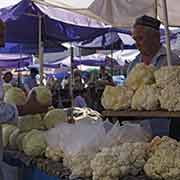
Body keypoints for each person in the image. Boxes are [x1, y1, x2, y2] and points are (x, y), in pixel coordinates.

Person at [127, 15, 180, 138]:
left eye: (140, 38)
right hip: (139, 128)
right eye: (135, 39)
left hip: (168, 129)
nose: (137, 44)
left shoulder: (171, 61)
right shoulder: (134, 63)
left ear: (155, 37)